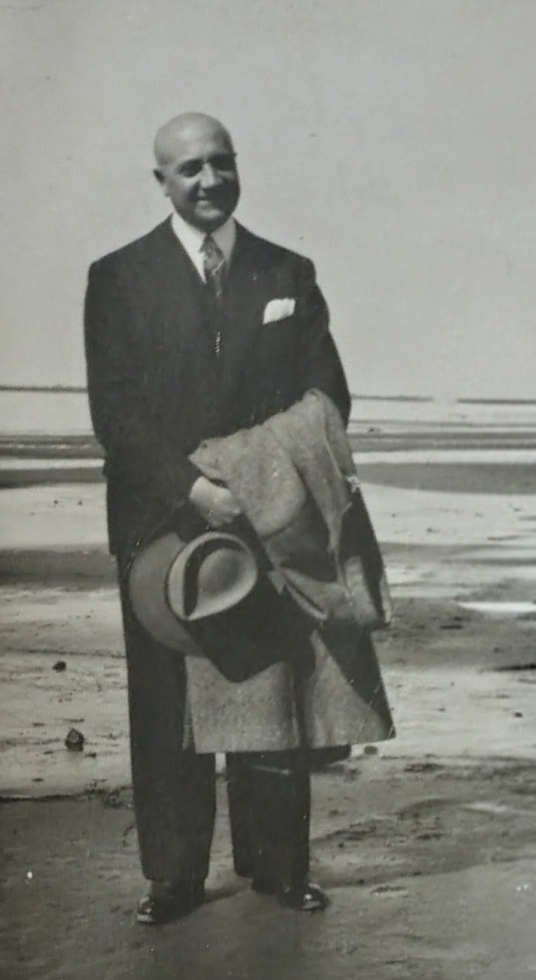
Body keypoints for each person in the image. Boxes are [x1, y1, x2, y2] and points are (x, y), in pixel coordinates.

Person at [84, 112, 354, 925]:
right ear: (161, 182)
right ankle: (173, 878)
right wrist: (193, 490)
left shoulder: (287, 272)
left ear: (237, 167)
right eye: (190, 168)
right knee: (166, 700)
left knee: (270, 688)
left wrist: (258, 482)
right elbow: (116, 414)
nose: (208, 181)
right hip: (159, 523)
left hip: (265, 518)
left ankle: (277, 867)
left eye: (220, 163)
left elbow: (327, 395)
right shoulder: (118, 277)